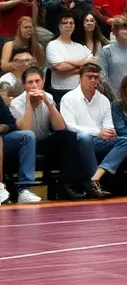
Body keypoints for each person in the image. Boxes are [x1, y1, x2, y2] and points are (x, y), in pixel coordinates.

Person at [59, 63, 127, 198]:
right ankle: (94, 182)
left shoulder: (104, 100)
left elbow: (108, 125)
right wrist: (97, 132)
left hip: (100, 142)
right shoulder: (68, 98)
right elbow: (69, 126)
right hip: (77, 144)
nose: (93, 80)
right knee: (85, 137)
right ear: (80, 78)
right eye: (89, 77)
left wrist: (109, 132)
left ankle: (95, 178)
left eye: (96, 77)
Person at [12, 67, 89, 199]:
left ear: (43, 82)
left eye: (37, 81)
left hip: (43, 142)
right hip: (25, 145)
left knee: (68, 136)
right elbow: (27, 131)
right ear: (24, 85)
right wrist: (29, 105)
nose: (34, 85)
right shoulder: (16, 104)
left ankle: (66, 185)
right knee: (29, 137)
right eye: (30, 82)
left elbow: (60, 127)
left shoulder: (48, 97)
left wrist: (48, 103)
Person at [0, 91, 39, 204]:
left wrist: (2, 128)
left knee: (28, 136)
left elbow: (11, 123)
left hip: (3, 140)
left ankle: (24, 189)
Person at [45, 14, 91, 105]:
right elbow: (61, 68)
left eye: (71, 23)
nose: (68, 25)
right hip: (61, 91)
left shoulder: (80, 46)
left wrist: (69, 63)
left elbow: (92, 64)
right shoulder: (53, 45)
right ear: (59, 26)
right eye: (65, 23)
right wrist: (82, 64)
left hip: (81, 90)